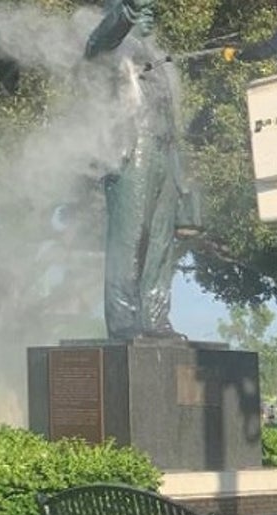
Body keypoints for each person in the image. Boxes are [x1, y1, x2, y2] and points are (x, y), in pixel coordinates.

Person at [85, 0, 198, 340]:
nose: (150, 13)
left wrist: (182, 179)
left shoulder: (157, 59)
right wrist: (128, 10)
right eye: (141, 10)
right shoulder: (108, 50)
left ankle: (155, 317)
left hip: (164, 152)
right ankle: (123, 320)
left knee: (161, 244)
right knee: (129, 240)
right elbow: (101, 39)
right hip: (132, 151)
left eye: (150, 10)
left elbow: (172, 122)